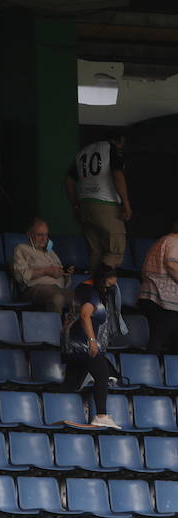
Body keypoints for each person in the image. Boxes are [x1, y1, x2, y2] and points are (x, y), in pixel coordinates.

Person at [65, 130, 132, 278]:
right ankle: (100, 285)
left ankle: (92, 294)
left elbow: (69, 181)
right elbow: (118, 176)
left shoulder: (82, 153)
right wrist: (126, 204)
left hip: (85, 205)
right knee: (115, 251)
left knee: (96, 252)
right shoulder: (111, 149)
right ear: (119, 140)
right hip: (106, 204)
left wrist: (75, 205)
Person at [61, 267, 121, 428]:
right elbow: (85, 315)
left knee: (71, 383)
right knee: (102, 375)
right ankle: (101, 415)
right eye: (108, 285)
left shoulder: (85, 288)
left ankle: (60, 411)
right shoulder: (90, 292)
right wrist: (92, 340)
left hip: (73, 342)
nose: (109, 289)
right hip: (83, 343)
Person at [11, 219, 73, 313]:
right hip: (35, 288)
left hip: (58, 288)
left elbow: (65, 282)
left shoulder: (50, 251)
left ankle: (71, 327)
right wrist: (45, 271)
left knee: (83, 299)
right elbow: (19, 276)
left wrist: (65, 274)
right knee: (57, 298)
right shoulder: (21, 248)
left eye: (46, 235)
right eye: (40, 235)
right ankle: (54, 327)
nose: (44, 239)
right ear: (29, 234)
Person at [138, 220, 178, 355]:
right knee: (157, 341)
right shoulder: (174, 241)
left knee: (158, 338)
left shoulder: (162, 241)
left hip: (150, 295)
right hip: (165, 301)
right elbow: (172, 265)